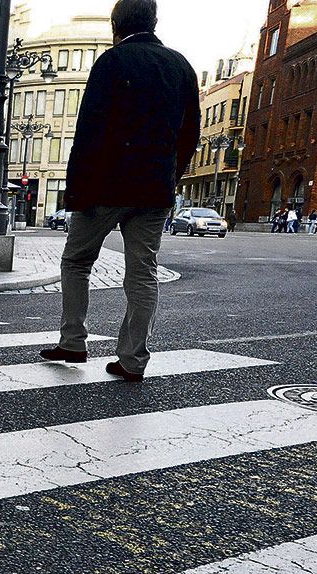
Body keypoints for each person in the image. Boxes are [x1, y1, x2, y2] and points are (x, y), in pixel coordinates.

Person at [40, 0, 200, 383]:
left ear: (116, 25)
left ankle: (74, 340)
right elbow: (189, 133)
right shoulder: (181, 66)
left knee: (77, 261)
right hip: (153, 189)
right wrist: (170, 176)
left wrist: (76, 189)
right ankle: (132, 359)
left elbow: (89, 130)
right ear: (154, 22)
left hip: (105, 184)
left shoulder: (111, 62)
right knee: (143, 273)